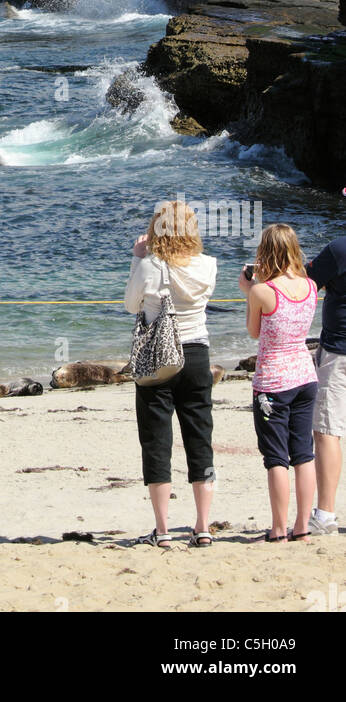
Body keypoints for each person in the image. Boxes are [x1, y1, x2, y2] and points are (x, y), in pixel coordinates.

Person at [125, 199, 217, 548]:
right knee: (199, 437)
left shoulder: (150, 265)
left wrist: (137, 256)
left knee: (156, 441)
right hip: (196, 353)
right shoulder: (208, 265)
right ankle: (203, 526)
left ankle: (163, 530)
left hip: (158, 356)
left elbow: (131, 305)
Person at [240, 224, 318, 542]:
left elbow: (255, 331)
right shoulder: (311, 286)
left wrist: (249, 290)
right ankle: (302, 526)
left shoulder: (262, 290)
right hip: (305, 374)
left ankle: (278, 527)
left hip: (273, 380)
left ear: (265, 252)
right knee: (303, 454)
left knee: (276, 458)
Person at [301, 232, 345, 533]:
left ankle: (326, 513)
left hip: (340, 352)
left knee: (327, 430)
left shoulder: (339, 248)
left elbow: (305, 285)